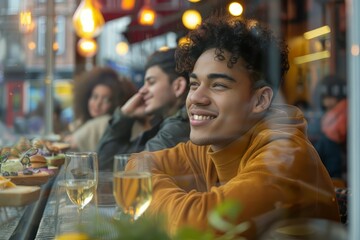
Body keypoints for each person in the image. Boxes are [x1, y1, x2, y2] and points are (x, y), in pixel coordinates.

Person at [126, 15, 340, 239]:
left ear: (260, 101)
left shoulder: (287, 156)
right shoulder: (213, 146)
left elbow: (197, 226)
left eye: (218, 85)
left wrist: (147, 191)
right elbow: (135, 166)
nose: (196, 97)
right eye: (194, 84)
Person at [96, 48, 190, 170]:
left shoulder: (178, 129)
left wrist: (123, 118)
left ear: (178, 86)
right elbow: (104, 165)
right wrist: (125, 115)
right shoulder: (166, 125)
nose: (142, 91)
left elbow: (132, 173)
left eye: (151, 83)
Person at [64, 67, 136, 151]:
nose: (98, 104)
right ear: (87, 98)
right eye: (95, 97)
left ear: (114, 104)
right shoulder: (80, 123)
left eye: (106, 99)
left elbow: (68, 144)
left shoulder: (105, 121)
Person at [314, 75, 347, 180]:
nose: (324, 100)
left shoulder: (343, 108)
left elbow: (338, 133)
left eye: (327, 97)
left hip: (338, 153)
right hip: (335, 151)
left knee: (325, 142)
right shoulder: (334, 110)